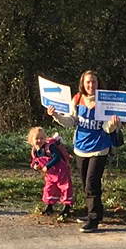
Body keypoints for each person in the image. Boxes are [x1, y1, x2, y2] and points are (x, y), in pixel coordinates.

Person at [48, 69, 119, 233]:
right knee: (86, 183)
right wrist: (56, 116)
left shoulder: (105, 101)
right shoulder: (77, 99)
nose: (91, 85)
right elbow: (71, 121)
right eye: (88, 82)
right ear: (83, 83)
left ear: (98, 83)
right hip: (80, 148)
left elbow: (107, 128)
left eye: (94, 81)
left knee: (91, 184)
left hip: (99, 149)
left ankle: (93, 219)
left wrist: (114, 124)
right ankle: (96, 212)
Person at [27, 126, 72, 222]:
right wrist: (35, 166)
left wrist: (47, 166)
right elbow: (35, 161)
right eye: (37, 138)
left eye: (42, 138)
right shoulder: (35, 151)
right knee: (49, 189)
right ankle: (49, 206)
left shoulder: (49, 147)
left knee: (65, 188)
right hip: (50, 174)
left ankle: (67, 207)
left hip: (60, 171)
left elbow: (57, 158)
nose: (39, 140)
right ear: (31, 140)